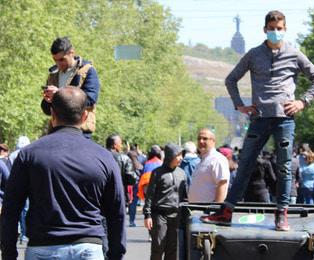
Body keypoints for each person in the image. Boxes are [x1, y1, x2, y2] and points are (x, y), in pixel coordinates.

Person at [201, 10, 314, 231]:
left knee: (284, 167)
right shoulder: (254, 54)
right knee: (245, 164)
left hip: (285, 119)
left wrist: (302, 102)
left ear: (285, 30)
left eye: (279, 29)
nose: (275, 32)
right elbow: (231, 79)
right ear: (265, 29)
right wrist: (239, 105)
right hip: (259, 119)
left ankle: (282, 214)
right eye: (272, 28)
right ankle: (227, 211)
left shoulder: (295, 55)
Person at [1, 87, 126, 259]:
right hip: (88, 247)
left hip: (42, 248)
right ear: (84, 116)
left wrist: (8, 253)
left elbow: (11, 207)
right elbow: (116, 212)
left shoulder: (29, 155)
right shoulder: (104, 157)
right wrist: (115, 254)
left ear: (52, 114)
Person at [41, 37, 100, 138]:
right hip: (56, 131)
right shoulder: (53, 75)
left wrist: (59, 94)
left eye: (62, 59)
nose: (58, 64)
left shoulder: (87, 71)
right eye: (55, 60)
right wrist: (48, 100)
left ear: (71, 52)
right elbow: (46, 110)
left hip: (80, 131)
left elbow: (90, 99)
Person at [143, 143, 187, 260]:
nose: (181, 158)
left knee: (172, 249)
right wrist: (147, 215)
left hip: (176, 216)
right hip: (159, 216)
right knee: (158, 246)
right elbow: (150, 196)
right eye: (178, 155)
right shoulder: (157, 172)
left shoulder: (182, 173)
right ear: (171, 156)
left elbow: (185, 197)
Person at [188, 129, 230, 203]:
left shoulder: (217, 159)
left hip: (208, 211)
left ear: (213, 141)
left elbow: (222, 183)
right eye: (199, 139)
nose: (201, 141)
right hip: (196, 210)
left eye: (205, 139)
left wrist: (216, 209)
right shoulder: (202, 160)